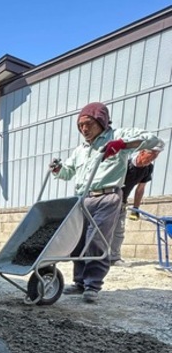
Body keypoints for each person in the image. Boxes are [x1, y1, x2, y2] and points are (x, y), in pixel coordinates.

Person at [49, 103, 164, 303]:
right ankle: (79, 282)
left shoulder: (118, 135)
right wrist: (58, 169)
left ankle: (92, 285)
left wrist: (123, 144)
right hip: (82, 198)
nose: (84, 129)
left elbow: (155, 141)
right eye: (80, 125)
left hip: (108, 197)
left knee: (96, 240)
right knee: (78, 240)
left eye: (88, 124)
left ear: (101, 121)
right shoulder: (80, 150)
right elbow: (68, 172)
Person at [110, 148, 160, 265]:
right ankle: (95, 256)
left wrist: (136, 209)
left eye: (154, 158)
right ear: (141, 152)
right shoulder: (124, 164)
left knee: (119, 231)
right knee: (102, 229)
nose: (151, 160)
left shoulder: (148, 168)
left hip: (122, 202)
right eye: (150, 156)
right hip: (109, 200)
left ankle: (114, 258)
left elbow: (140, 189)